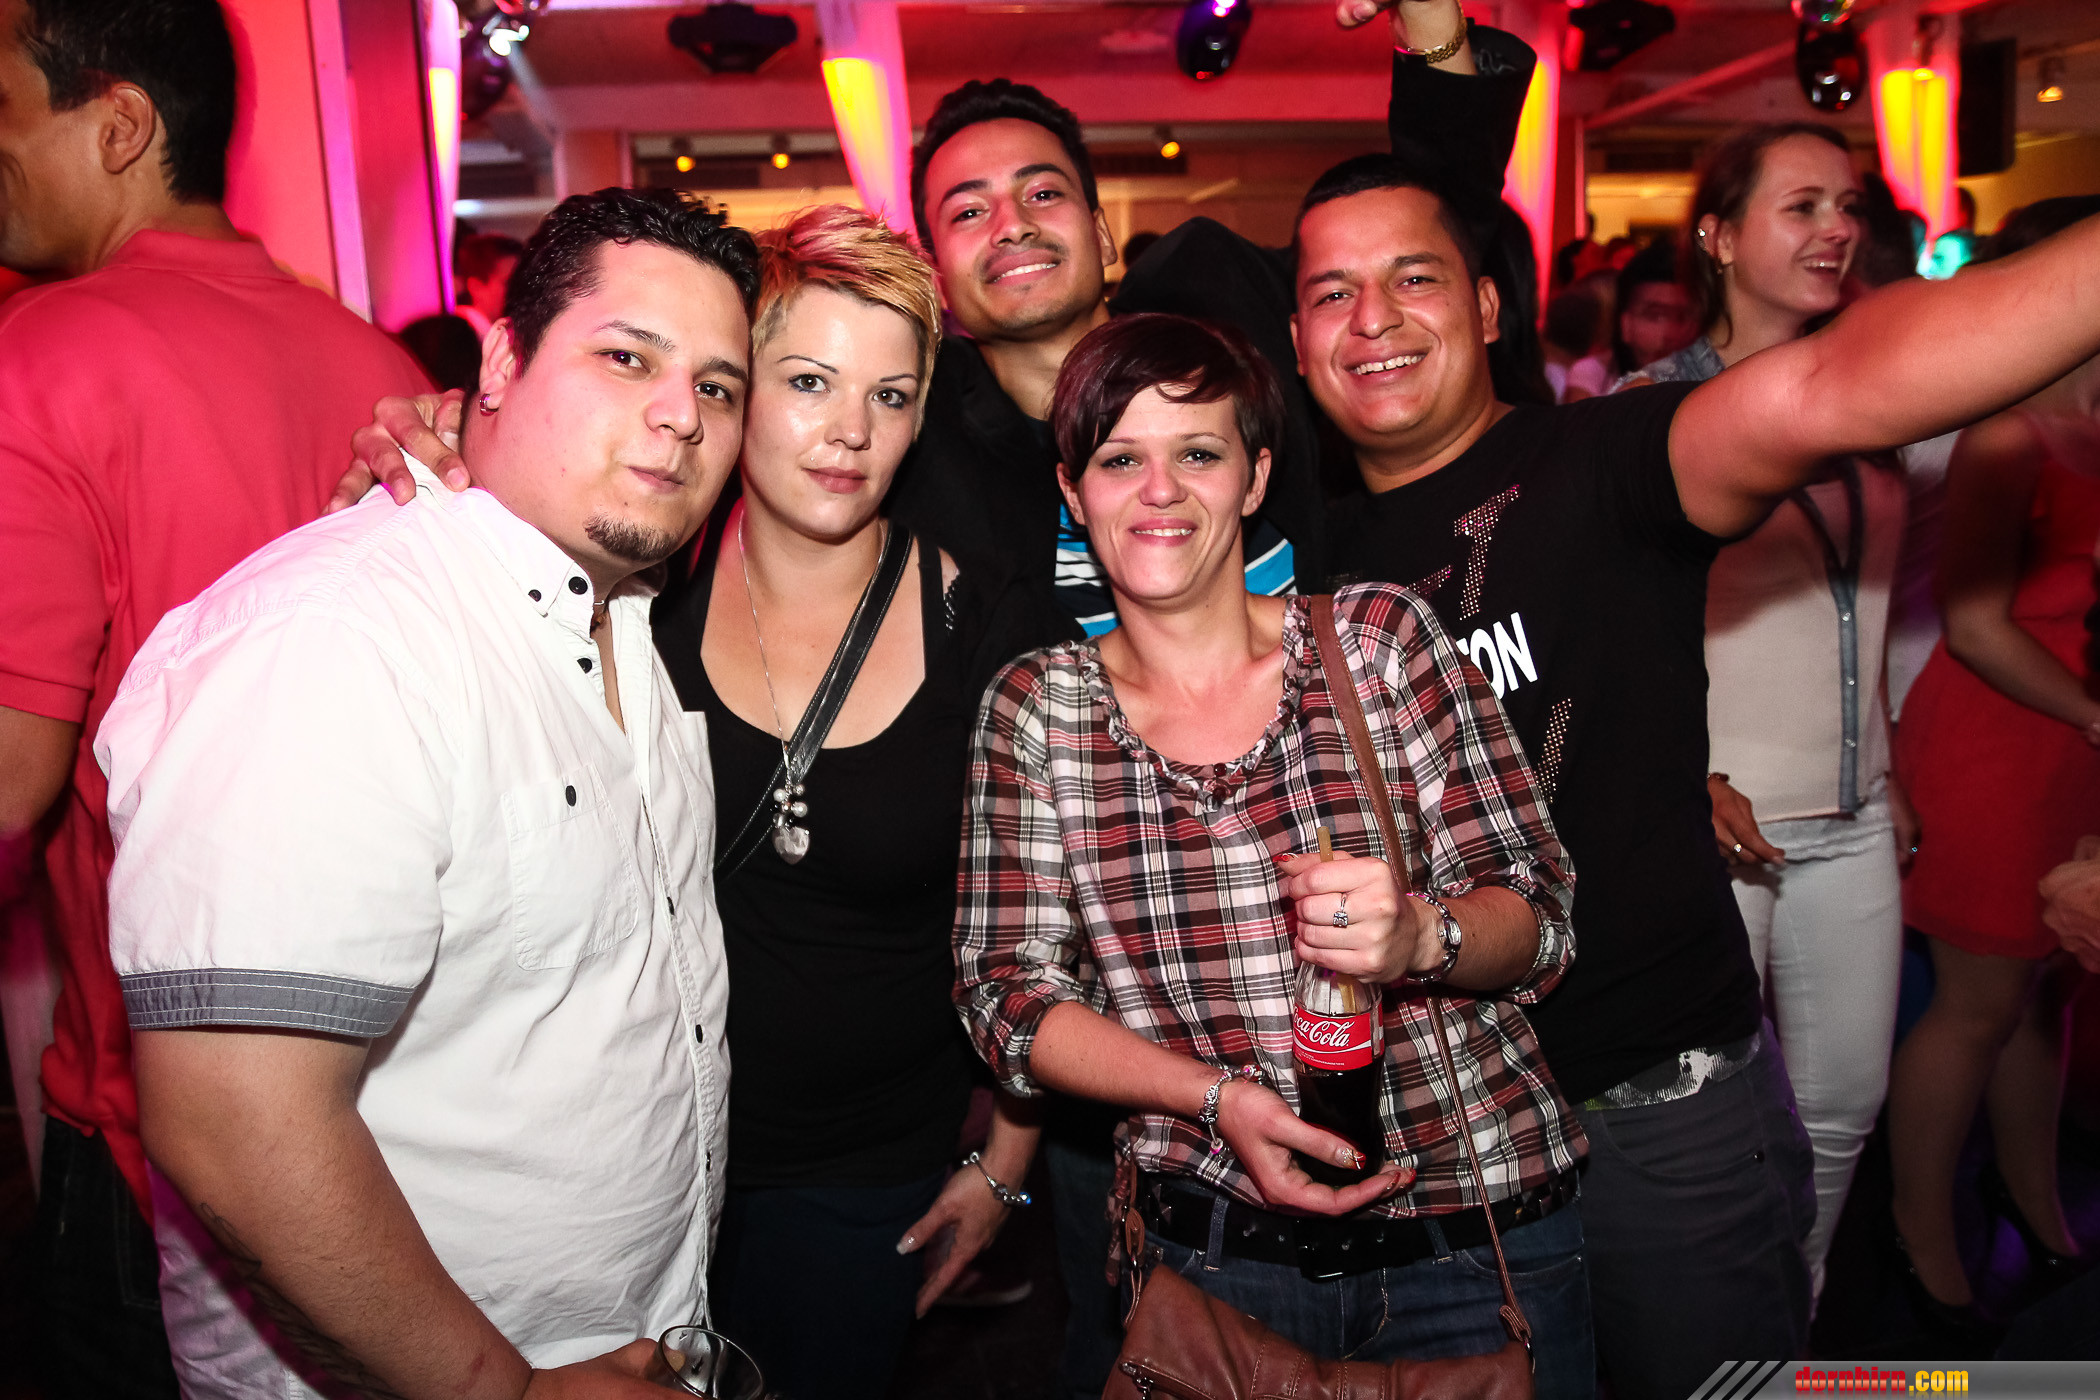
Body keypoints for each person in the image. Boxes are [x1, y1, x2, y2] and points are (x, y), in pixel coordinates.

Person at [1256, 73, 2100, 1396]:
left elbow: (1835, 385)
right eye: (1332, 293)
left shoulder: (1605, 462)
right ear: (1299, 342)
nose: (1375, 319)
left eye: (1415, 278)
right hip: (1440, 1131)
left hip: (1653, 1111)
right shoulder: (1294, 559)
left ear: (1488, 307)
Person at [100, 187, 752, 1400]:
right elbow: (234, 1119)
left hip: (628, 1339)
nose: (681, 414)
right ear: (499, 363)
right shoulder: (329, 638)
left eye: (718, 386)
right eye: (627, 358)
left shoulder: (625, 617)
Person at [953, 313, 1591, 1394]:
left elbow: (1542, 918)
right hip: (1213, 1262)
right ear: (1073, 491)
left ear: (1254, 477)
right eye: (1120, 459)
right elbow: (1004, 996)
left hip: (1473, 1241)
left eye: (1198, 452)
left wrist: (1421, 935)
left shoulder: (1377, 643)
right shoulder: (1037, 709)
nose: (1160, 490)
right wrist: (1213, 1099)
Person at [0, 2, 429, 1395]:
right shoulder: (378, 363)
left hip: (153, 1134)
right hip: (368, 1117)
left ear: (119, 124)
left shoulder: (37, 359)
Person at [649, 205, 1061, 1399]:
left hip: (865, 1169)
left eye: (890, 395)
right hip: (635, 1148)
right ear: (735, 387)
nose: (850, 431)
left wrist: (1006, 1161)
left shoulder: (983, 620)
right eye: (809, 382)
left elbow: (1047, 921)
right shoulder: (637, 586)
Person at [1612, 122, 1913, 1306]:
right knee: (1719, 1127)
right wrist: (1681, 776)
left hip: (1856, 816)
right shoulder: (1654, 409)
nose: (1836, 228)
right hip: (1717, 831)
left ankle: (1798, 1324)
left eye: (1848, 205)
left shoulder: (1886, 390)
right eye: (1802, 206)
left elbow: (1867, 607)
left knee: (1845, 1112)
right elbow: (1608, 638)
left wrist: (1890, 763)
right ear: (1721, 236)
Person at [1887, 195, 2100, 1337]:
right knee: (1976, 1005)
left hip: (2071, 745)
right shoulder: (2008, 433)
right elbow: (1972, 625)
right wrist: (2094, 714)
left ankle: (2037, 1203)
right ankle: (1922, 1239)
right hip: (1998, 742)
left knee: (2043, 993)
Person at [1605, 240, 1696, 383]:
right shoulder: (1595, 379)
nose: (1670, 333)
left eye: (1682, 317)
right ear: (1625, 323)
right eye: (1656, 316)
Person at [456, 231, 526, 337]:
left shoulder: (499, 335)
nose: (519, 291)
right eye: (508, 283)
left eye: (522, 282)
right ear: (476, 287)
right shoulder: (461, 335)